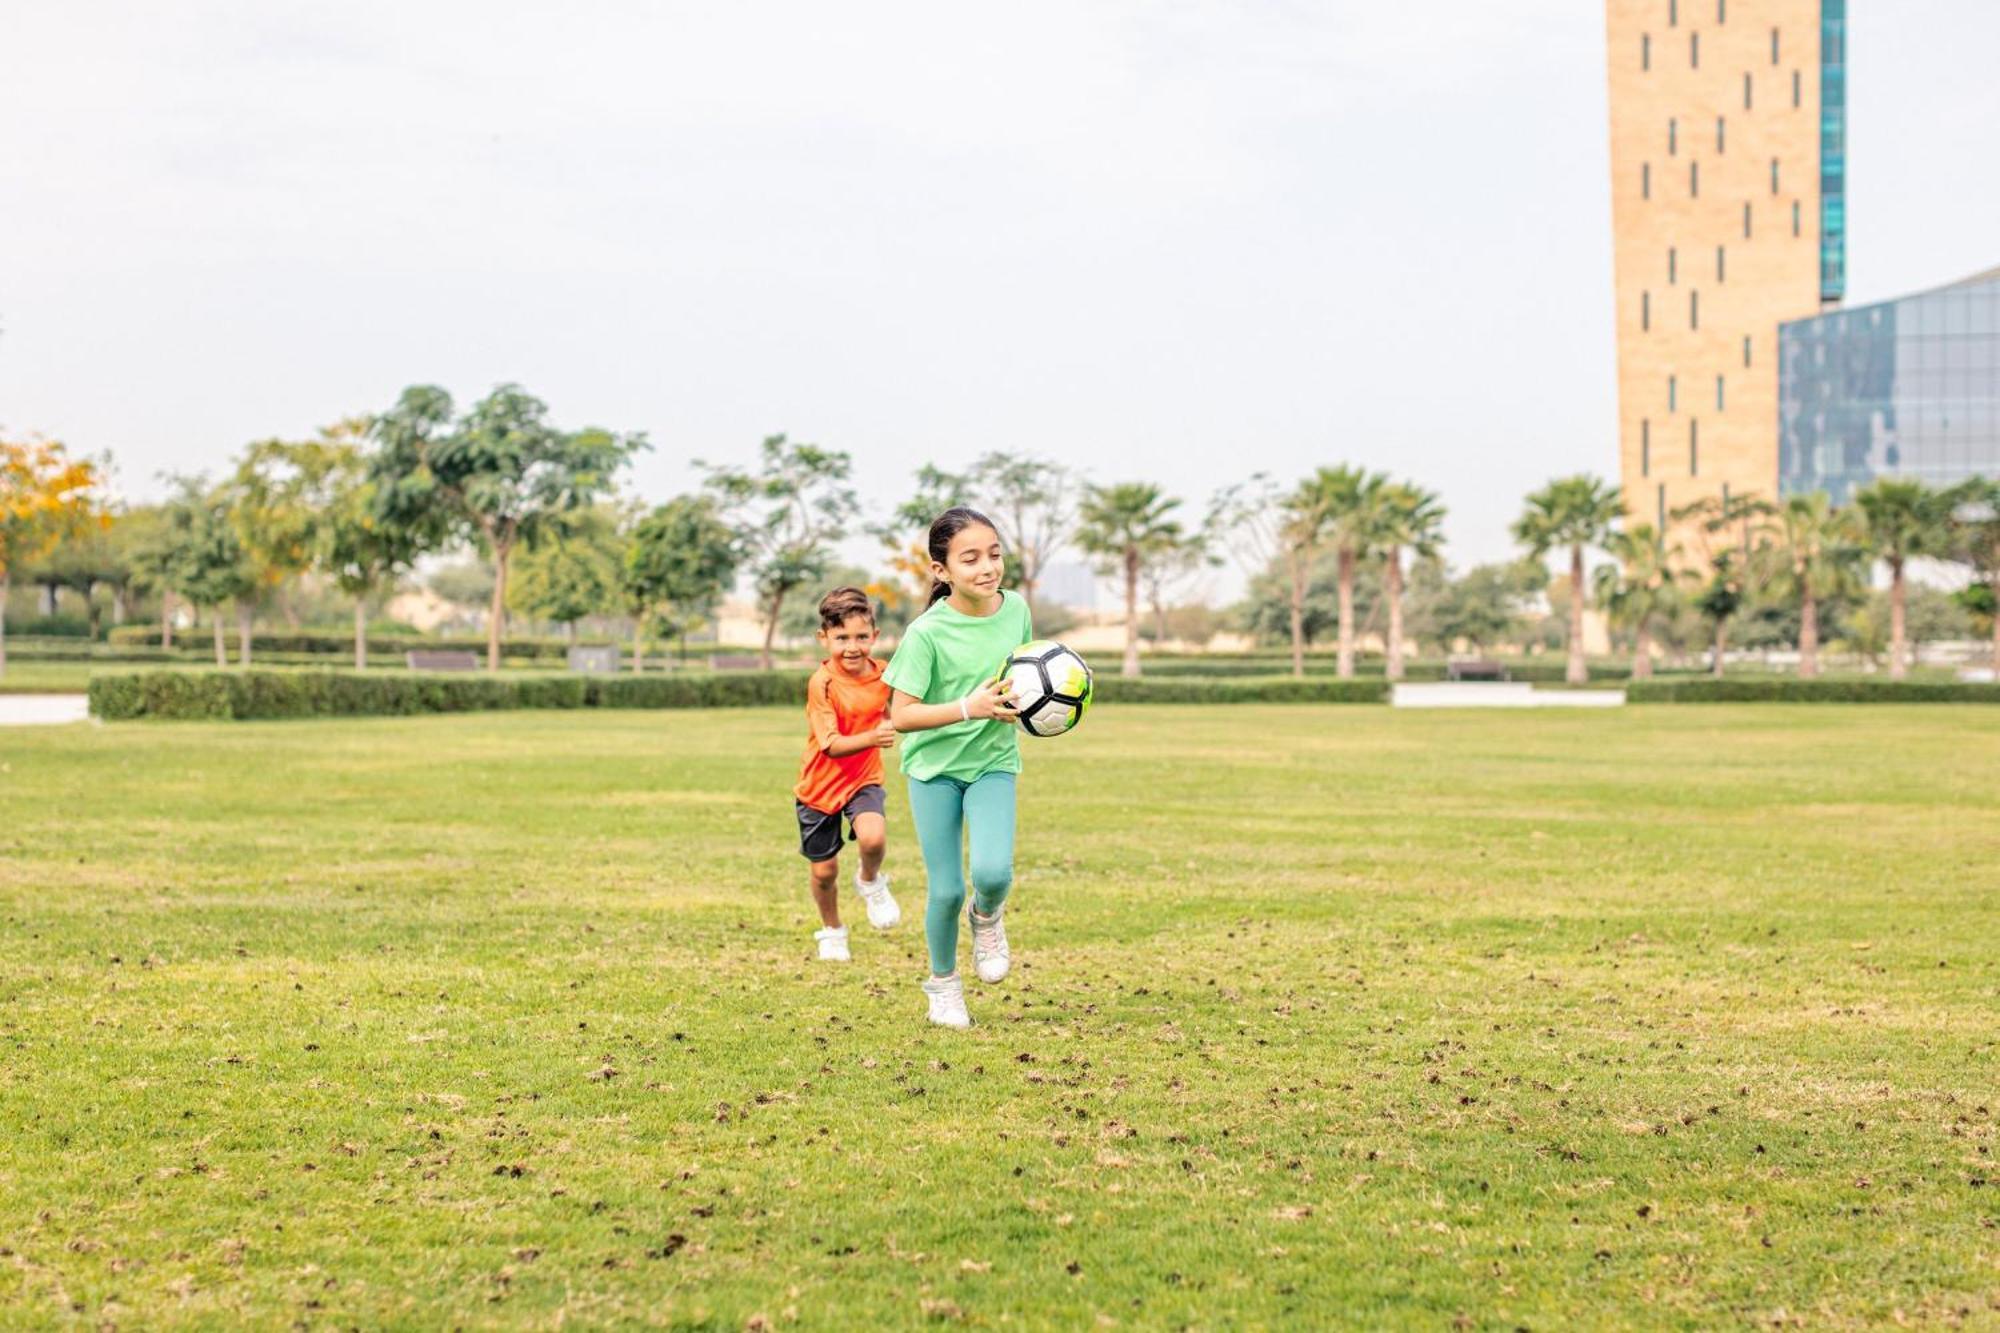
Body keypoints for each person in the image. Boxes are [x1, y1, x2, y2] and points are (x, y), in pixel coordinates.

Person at [884, 507, 1032, 1028]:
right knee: (944, 889)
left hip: (992, 761)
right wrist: (969, 706)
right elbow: (900, 715)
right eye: (969, 558)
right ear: (941, 570)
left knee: (992, 873)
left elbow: (1025, 674)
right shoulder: (925, 633)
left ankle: (986, 917)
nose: (987, 567)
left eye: (994, 554)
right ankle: (943, 985)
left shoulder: (1016, 609)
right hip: (934, 772)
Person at [793, 586, 901, 961]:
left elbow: (913, 701)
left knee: (873, 840)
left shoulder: (887, 674)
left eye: (860, 636)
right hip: (818, 788)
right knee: (824, 872)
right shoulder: (821, 683)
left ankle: (870, 881)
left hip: (863, 780)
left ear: (874, 635)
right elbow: (831, 745)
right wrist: (874, 735)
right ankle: (833, 930)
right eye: (841, 638)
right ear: (824, 639)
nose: (852, 647)